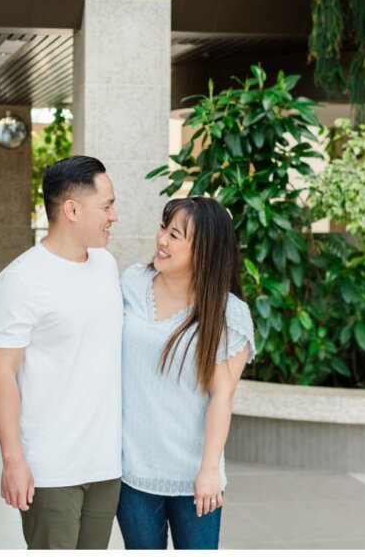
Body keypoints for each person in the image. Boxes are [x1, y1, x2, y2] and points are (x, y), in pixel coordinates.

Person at [0, 155, 123, 550]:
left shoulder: (105, 264)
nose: (114, 216)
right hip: (51, 467)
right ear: (72, 209)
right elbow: (1, 375)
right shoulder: (19, 282)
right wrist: (13, 460)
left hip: (105, 464)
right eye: (107, 205)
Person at [116, 197, 255, 550]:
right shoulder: (132, 282)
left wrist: (209, 470)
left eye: (175, 235)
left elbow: (222, 397)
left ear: (205, 249)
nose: (162, 240)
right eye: (164, 227)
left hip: (195, 476)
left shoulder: (228, 314)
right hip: (133, 471)